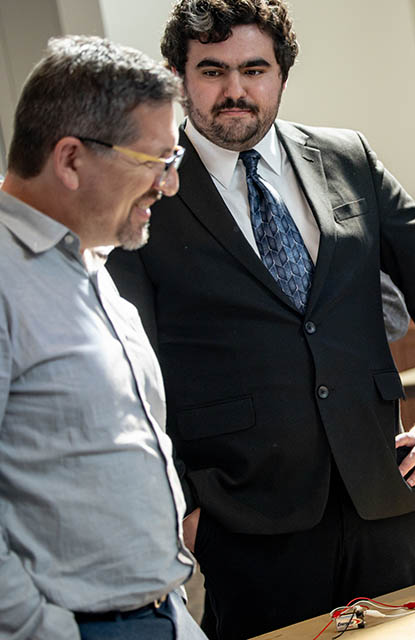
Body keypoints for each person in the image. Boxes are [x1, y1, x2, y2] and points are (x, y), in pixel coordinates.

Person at [106, 1, 415, 637]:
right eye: (212, 71)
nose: (235, 90)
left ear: (281, 74)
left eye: (255, 69)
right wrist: (186, 503)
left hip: (380, 493)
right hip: (244, 512)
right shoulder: (142, 189)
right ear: (178, 78)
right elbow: (127, 366)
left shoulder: (349, 158)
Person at [0, 36, 207, 639]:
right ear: (70, 159)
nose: (168, 186)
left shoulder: (91, 263)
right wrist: (43, 630)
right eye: (156, 163)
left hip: (162, 611)